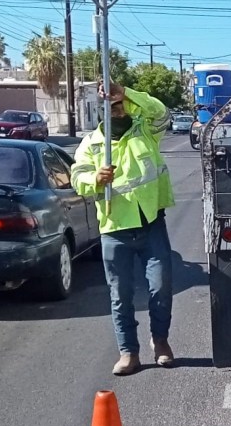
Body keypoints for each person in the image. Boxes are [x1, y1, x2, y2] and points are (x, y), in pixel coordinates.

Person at [70, 82, 176, 376]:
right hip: (115, 228)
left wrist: (125, 91)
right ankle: (129, 352)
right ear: (101, 114)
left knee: (161, 287)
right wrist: (96, 178)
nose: (116, 111)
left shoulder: (146, 130)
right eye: (110, 108)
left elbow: (160, 111)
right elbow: (77, 178)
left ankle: (161, 341)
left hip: (151, 222)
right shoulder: (92, 144)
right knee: (121, 295)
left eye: (119, 105)